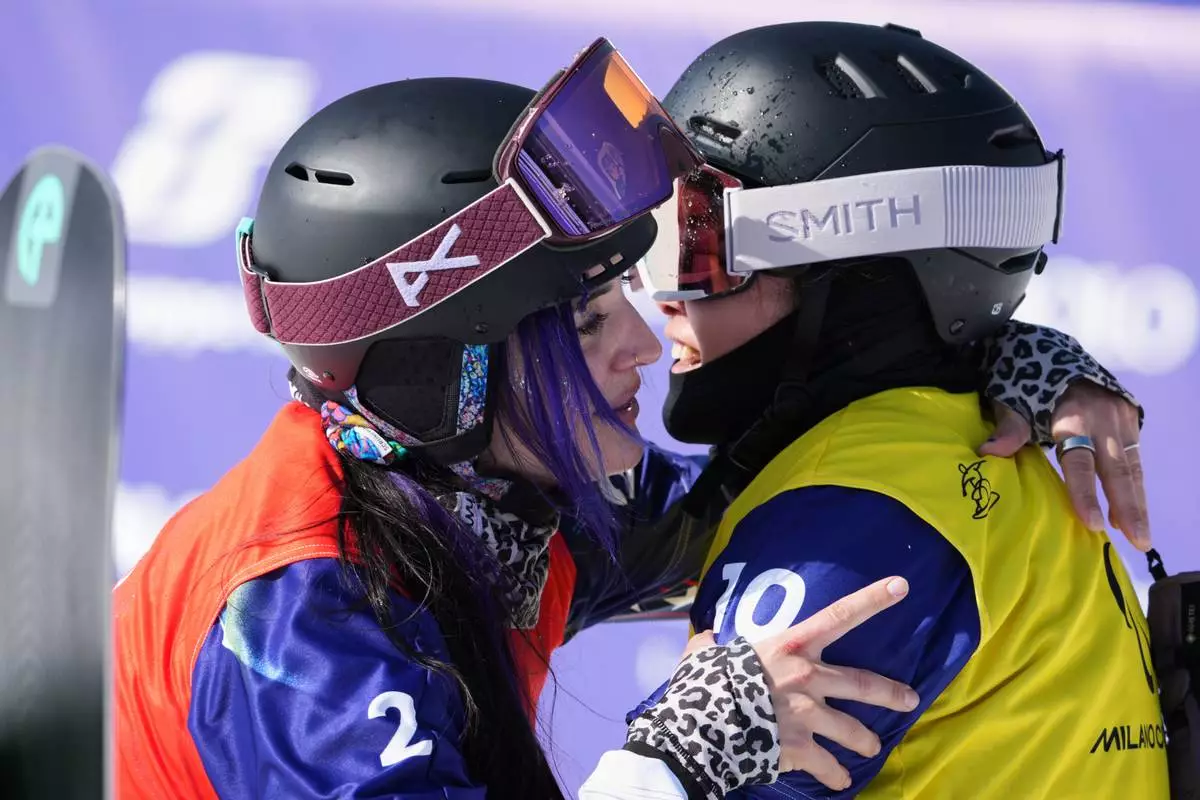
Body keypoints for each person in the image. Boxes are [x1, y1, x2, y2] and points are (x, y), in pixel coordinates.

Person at [112, 39, 1154, 800]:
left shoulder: (491, 493)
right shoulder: (302, 622)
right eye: (587, 318)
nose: (646, 346)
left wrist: (988, 352)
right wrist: (675, 762)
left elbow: (717, 519)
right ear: (451, 372)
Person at [626, 20, 1168, 798]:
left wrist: (672, 763)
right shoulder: (947, 449)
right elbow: (613, 529)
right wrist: (1009, 349)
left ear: (852, 282)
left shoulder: (843, 513)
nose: (658, 302)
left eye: (699, 247)